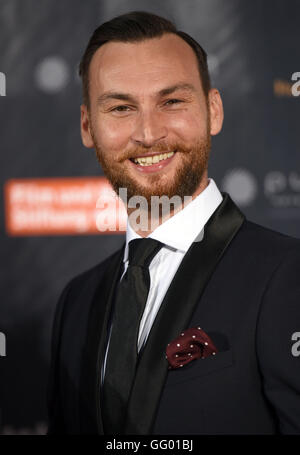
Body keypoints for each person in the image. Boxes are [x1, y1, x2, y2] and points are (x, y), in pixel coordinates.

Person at [47, 11, 300, 435]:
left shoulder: (289, 275)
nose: (148, 132)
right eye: (122, 107)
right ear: (88, 126)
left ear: (213, 111)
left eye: (172, 101)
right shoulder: (76, 301)